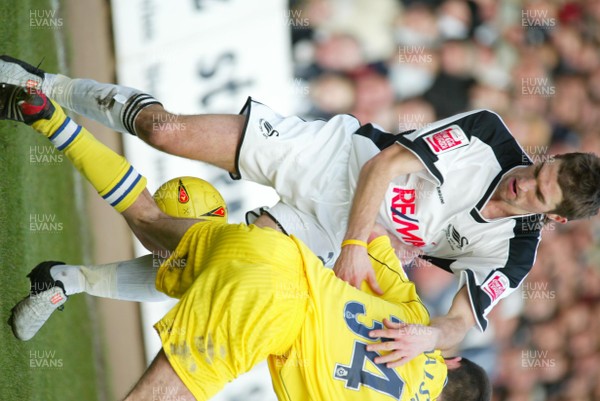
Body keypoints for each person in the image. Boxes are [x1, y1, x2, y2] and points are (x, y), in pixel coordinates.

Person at [2, 55, 599, 366]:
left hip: (330, 235)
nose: (523, 182)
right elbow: (382, 169)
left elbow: (461, 323)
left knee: (200, 267)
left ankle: (66, 281)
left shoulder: (514, 252)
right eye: (538, 170)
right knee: (165, 130)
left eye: (539, 194)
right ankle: (46, 86)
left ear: (555, 219)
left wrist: (427, 335)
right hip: (335, 161)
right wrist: (355, 247)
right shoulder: (490, 137)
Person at [1, 85, 491, 401]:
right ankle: (54, 109)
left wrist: (368, 248)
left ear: (450, 359)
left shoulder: (416, 320)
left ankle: (50, 119)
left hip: (280, 253)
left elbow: (377, 245)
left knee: (153, 222)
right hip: (268, 309)